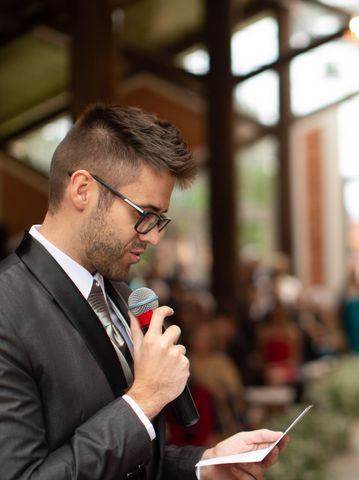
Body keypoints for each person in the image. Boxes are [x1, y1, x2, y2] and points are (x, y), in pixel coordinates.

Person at [0, 104, 286, 479]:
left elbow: (132, 461)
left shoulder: (116, 291)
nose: (153, 236)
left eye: (160, 219)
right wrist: (143, 399)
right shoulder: (8, 308)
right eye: (144, 213)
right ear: (83, 190)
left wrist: (205, 466)